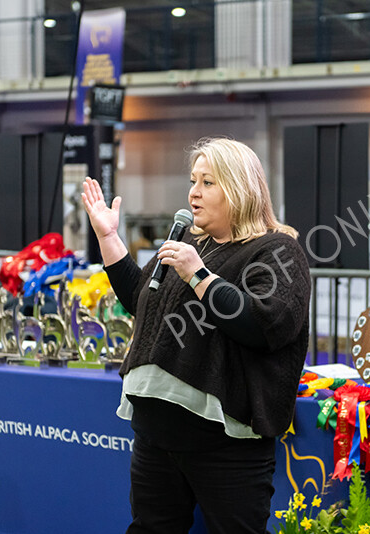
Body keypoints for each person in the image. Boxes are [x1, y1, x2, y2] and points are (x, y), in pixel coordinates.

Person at [81, 137, 310, 534]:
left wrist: (199, 276)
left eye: (208, 182)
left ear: (240, 189)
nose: (193, 192)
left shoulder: (276, 250)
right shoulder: (189, 241)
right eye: (193, 181)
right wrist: (109, 240)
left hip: (224, 443)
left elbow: (263, 325)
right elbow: (144, 303)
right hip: (156, 431)